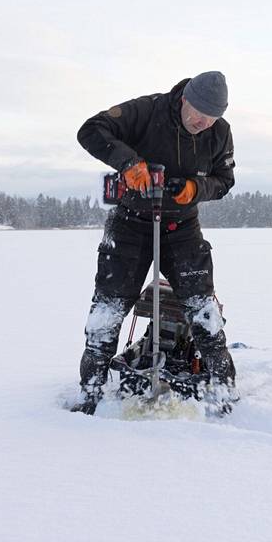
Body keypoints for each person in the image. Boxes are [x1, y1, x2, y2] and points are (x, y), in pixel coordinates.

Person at [71, 71, 236, 414]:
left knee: (202, 309)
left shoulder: (219, 133)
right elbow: (90, 131)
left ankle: (223, 390)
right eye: (197, 113)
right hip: (131, 223)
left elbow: (224, 180)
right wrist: (129, 164)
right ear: (184, 98)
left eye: (211, 117)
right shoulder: (148, 110)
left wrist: (195, 189)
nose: (202, 122)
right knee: (108, 309)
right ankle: (90, 395)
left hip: (182, 226)